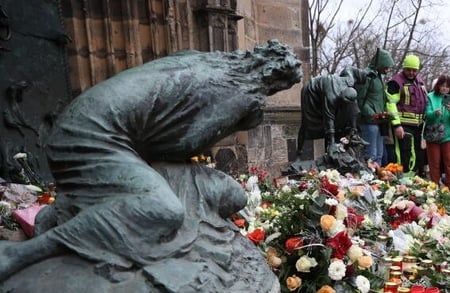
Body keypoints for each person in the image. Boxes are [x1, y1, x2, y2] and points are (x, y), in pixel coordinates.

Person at [0, 41, 303, 279]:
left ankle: (67, 214)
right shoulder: (243, 92)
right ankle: (25, 254)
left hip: (79, 122)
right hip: (92, 141)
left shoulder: (205, 58)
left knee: (203, 191)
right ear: (273, 81)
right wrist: (239, 122)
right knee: (163, 210)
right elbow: (183, 144)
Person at [345, 48, 394, 164]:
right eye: (385, 66)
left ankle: (378, 174)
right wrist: (372, 114)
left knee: (379, 155)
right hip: (368, 122)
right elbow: (360, 99)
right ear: (380, 63)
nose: (387, 69)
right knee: (371, 155)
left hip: (379, 121)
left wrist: (385, 113)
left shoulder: (379, 77)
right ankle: (368, 174)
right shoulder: (367, 76)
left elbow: (379, 98)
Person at [298, 73, 360, 157]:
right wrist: (332, 143)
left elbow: (354, 114)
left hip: (325, 91)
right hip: (310, 91)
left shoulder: (352, 96)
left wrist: (354, 130)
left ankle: (333, 149)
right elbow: (329, 117)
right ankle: (300, 151)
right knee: (307, 123)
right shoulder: (331, 97)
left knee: (339, 123)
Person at [386, 54, 428, 176]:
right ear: (404, 68)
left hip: (419, 125)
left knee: (419, 153)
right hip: (404, 125)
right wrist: (397, 125)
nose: (411, 73)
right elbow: (390, 104)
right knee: (406, 153)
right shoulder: (395, 82)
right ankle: (404, 178)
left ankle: (413, 178)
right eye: (408, 70)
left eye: (414, 70)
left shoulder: (420, 81)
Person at [424, 75, 450, 187]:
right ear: (438, 86)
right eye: (442, 86)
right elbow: (427, 115)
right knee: (434, 162)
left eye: (447, 86)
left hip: (448, 136)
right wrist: (434, 113)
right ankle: (434, 185)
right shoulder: (430, 97)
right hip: (433, 135)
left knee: (449, 161)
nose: (445, 88)